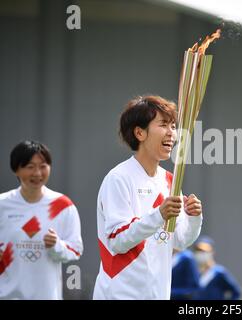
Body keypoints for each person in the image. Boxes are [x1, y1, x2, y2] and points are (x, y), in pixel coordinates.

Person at [93, 95, 203, 300]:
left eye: (173, 126)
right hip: (120, 294)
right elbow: (117, 240)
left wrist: (194, 217)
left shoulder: (170, 181)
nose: (172, 133)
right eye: (163, 125)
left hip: (157, 294)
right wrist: (159, 215)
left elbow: (180, 240)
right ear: (139, 132)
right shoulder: (119, 178)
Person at [0, 141, 83, 299]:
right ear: (16, 169)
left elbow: (76, 250)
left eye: (43, 166)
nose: (37, 173)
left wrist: (56, 245)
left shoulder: (63, 206)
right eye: (30, 167)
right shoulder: (2, 205)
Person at [192, 235, 241, 300]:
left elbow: (236, 292)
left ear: (212, 252)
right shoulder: (193, 272)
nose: (201, 253)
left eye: (204, 251)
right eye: (198, 250)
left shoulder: (219, 272)